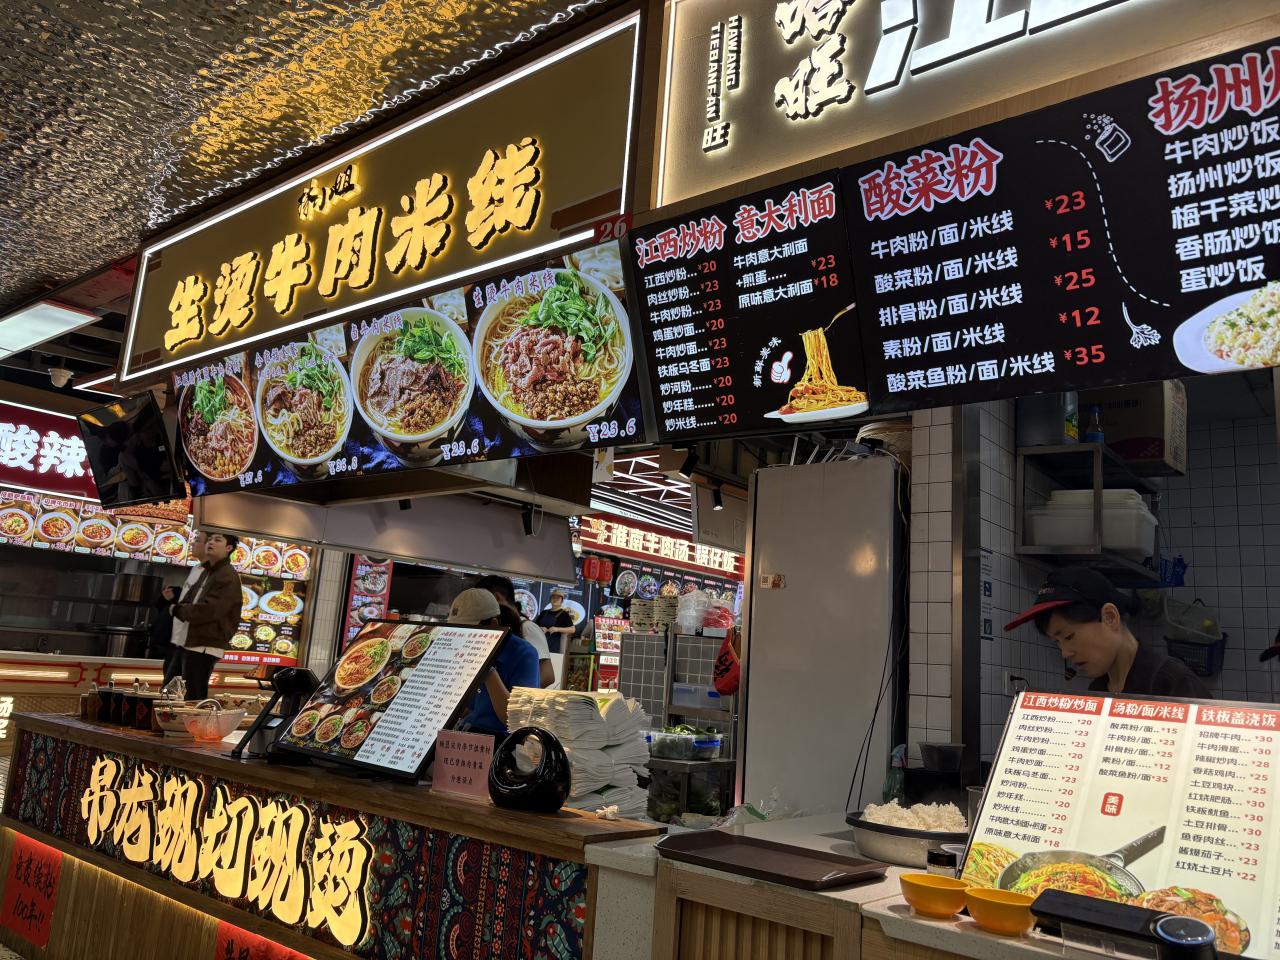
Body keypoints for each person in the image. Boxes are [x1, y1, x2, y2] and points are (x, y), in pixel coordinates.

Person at [1004, 566, 1211, 699]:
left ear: (1110, 617)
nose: (1065, 653)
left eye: (1068, 636)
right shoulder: (1098, 691)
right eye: (1057, 642)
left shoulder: (1171, 684)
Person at [450, 588, 540, 739]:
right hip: (467, 732)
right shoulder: (462, 649)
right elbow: (466, 707)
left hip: (502, 741)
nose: (462, 638)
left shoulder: (524, 653)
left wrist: (488, 670)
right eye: (457, 631)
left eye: (469, 631)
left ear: (493, 624)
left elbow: (518, 721)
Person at [169, 532, 243, 700]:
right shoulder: (207, 570)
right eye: (209, 539)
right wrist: (179, 608)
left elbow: (210, 610)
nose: (211, 542)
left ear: (228, 548)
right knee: (172, 694)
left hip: (204, 645)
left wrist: (177, 610)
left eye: (217, 540)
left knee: (192, 697)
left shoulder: (227, 574)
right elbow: (190, 600)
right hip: (189, 642)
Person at [476, 574, 555, 688]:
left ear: (496, 598)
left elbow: (548, 675)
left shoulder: (527, 627)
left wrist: (515, 693)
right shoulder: (497, 628)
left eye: (479, 602)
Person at [161, 529, 208, 687]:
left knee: (187, 693)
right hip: (178, 642)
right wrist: (173, 600)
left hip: (196, 644)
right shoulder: (196, 569)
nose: (192, 543)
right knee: (169, 692)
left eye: (197, 540)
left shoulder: (215, 574)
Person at [535, 589, 576, 653]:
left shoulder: (564, 614)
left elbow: (573, 629)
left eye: (558, 598)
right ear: (550, 600)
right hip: (539, 644)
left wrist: (557, 629)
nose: (555, 599)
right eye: (553, 597)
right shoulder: (544, 612)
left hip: (554, 647)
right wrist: (540, 628)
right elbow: (534, 626)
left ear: (562, 601)